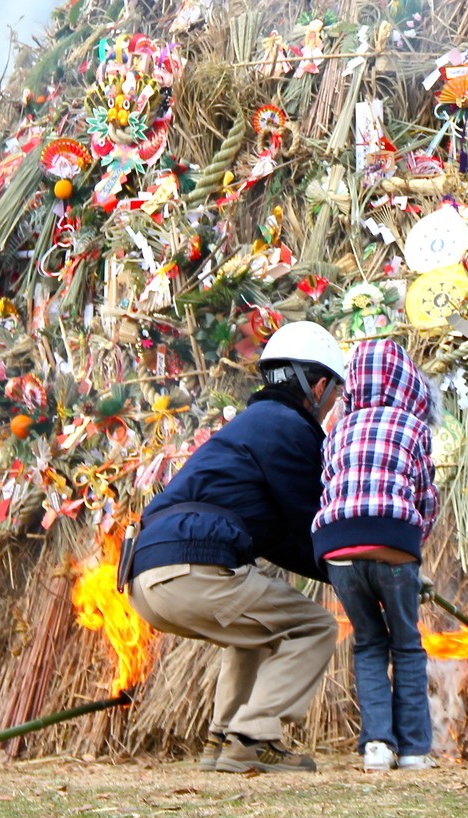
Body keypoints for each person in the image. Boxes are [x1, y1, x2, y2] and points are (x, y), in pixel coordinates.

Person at [127, 322, 349, 773]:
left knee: (255, 631)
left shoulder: (249, 427)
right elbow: (313, 526)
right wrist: (362, 570)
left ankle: (222, 740)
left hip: (144, 577)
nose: (331, 407)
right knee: (315, 627)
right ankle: (254, 734)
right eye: (333, 395)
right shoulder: (287, 427)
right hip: (192, 569)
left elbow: (288, 543)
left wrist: (340, 569)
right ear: (319, 385)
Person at [312, 338, 441, 773]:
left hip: (337, 549)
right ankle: (415, 750)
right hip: (393, 547)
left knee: (368, 643)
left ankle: (376, 747)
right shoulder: (413, 427)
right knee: (405, 644)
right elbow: (425, 497)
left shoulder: (337, 431)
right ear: (406, 381)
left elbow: (328, 487)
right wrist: (413, 547)